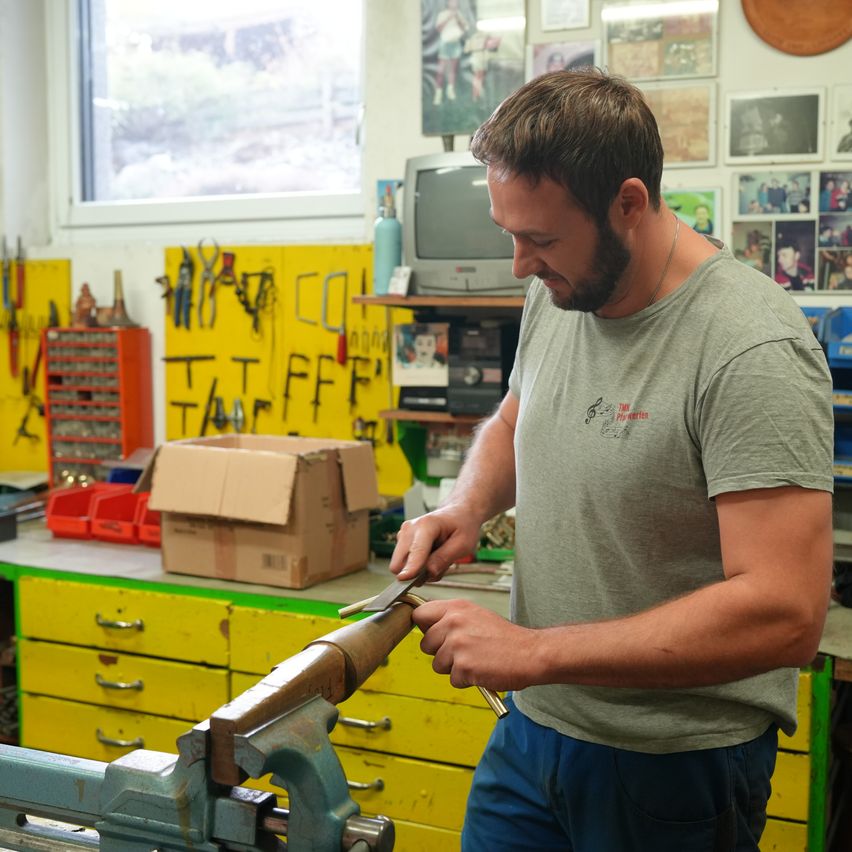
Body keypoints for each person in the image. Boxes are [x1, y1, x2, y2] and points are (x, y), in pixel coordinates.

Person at [389, 68, 834, 851]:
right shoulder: (562, 287)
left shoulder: (749, 345)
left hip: (671, 763)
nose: (521, 264)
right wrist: (467, 505)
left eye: (541, 240)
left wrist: (533, 650)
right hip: (534, 729)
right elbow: (517, 415)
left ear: (629, 202)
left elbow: (785, 612)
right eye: (510, 234)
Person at [433, 0, 468, 106]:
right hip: (445, 43)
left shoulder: (459, 14)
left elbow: (464, 28)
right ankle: (438, 93)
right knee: (441, 70)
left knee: (452, 70)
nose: (454, 3)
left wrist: (457, 18)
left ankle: (450, 91)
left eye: (455, 2)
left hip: (455, 43)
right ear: (448, 3)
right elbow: (438, 28)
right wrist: (448, 18)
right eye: (452, 1)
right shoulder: (442, 14)